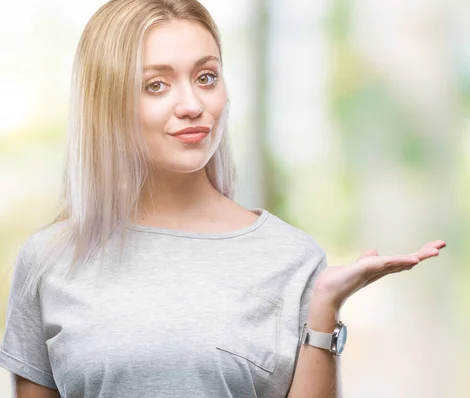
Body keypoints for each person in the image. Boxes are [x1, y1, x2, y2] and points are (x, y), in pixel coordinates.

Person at [0, 0, 446, 397]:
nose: (192, 103)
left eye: (206, 76)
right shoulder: (49, 261)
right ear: (107, 102)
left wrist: (325, 306)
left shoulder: (292, 258)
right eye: (156, 84)